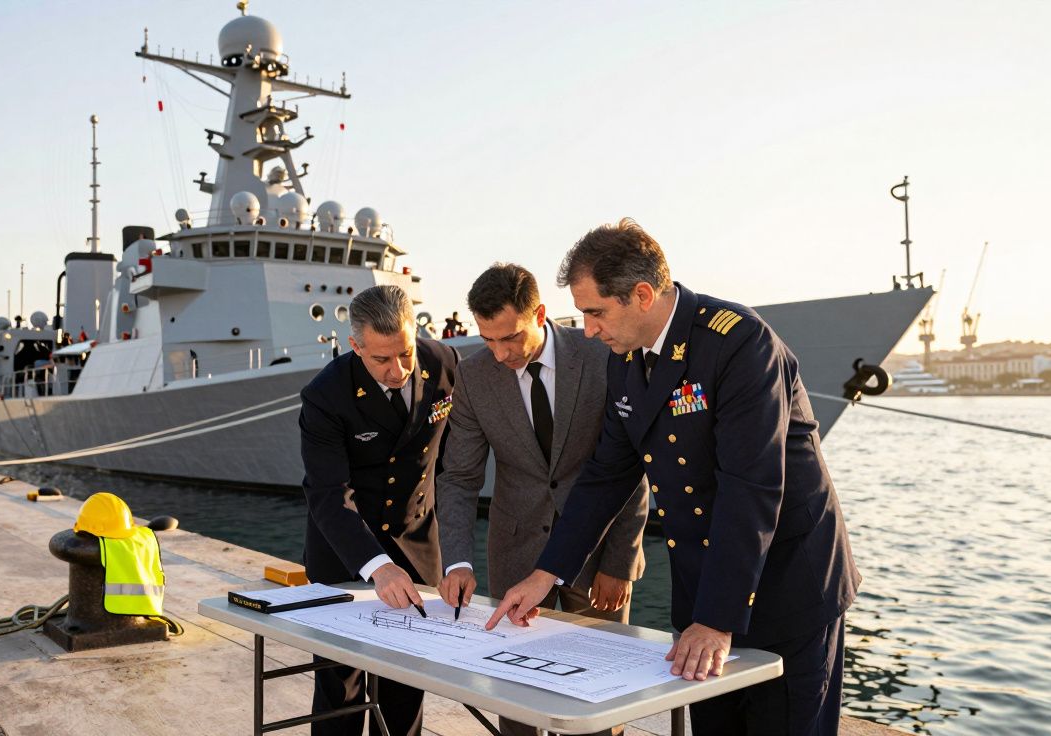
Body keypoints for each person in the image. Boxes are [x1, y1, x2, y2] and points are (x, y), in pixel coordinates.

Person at [489, 219, 859, 736]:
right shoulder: (625, 359)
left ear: (642, 295)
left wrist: (717, 618)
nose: (588, 329)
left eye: (596, 312)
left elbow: (749, 488)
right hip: (706, 588)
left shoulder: (738, 343)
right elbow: (606, 476)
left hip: (784, 586)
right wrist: (546, 574)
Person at [436, 263, 648, 736]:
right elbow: (459, 477)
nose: (500, 353)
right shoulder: (473, 375)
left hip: (599, 557)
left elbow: (633, 464)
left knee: (599, 698)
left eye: (510, 337)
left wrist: (620, 561)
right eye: (488, 340)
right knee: (516, 703)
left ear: (539, 314)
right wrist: (457, 562)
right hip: (516, 553)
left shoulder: (601, 354)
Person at [299, 284, 460, 736]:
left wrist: (456, 554)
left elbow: (452, 466)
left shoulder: (444, 362)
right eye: (382, 359)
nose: (398, 370)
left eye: (406, 353)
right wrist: (377, 566)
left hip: (417, 543)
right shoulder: (325, 395)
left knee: (405, 685)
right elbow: (328, 492)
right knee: (341, 689)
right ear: (355, 346)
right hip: (345, 553)